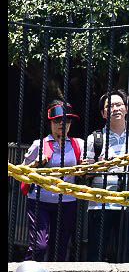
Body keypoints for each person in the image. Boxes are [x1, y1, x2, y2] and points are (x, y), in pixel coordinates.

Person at [84, 90, 129, 263]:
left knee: (126, 253)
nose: (115, 109)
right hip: (100, 203)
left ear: (127, 109)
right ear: (103, 113)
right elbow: (86, 173)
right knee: (96, 251)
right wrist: (99, 165)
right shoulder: (94, 138)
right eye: (110, 106)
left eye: (119, 104)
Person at [21, 101, 85, 261]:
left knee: (61, 247)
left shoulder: (78, 144)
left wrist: (86, 167)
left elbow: (85, 171)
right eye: (57, 121)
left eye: (67, 120)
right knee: (39, 245)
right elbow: (20, 171)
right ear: (50, 122)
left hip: (67, 201)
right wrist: (37, 163)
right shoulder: (40, 144)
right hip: (40, 201)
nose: (62, 125)